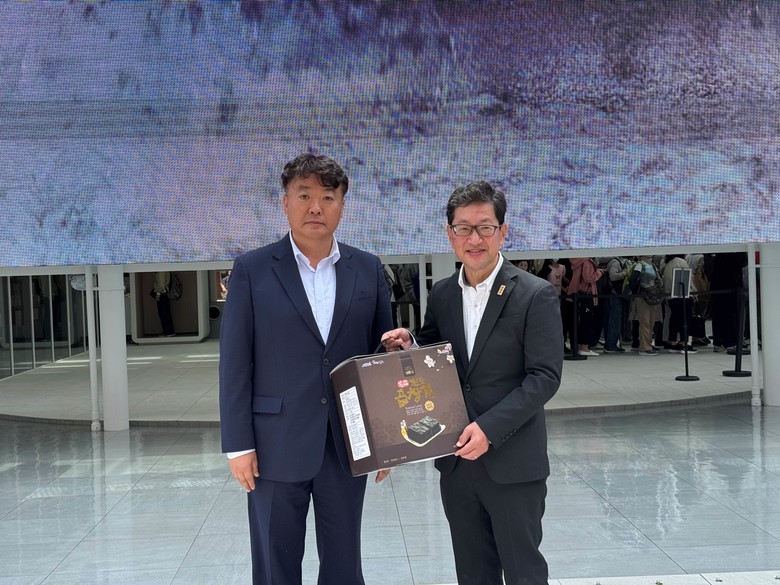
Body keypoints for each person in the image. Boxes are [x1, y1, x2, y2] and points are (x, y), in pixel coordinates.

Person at [218, 154, 393, 585]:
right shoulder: (252, 270)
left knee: (344, 565)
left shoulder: (367, 268)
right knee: (275, 565)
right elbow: (235, 363)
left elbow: (379, 358)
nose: (316, 207)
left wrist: (385, 440)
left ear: (342, 206)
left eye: (328, 197)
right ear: (285, 203)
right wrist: (238, 445)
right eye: (304, 196)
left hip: (346, 443)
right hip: (273, 444)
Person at [381, 181, 563, 585]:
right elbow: (436, 352)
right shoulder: (443, 294)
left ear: (503, 231)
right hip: (457, 463)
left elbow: (545, 377)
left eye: (485, 227)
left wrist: (489, 429)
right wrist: (411, 345)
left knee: (524, 573)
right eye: (463, 228)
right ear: (450, 235)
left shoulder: (535, 294)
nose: (474, 239)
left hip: (512, 462)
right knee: (473, 573)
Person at [152, 272, 175, 337]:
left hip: (162, 294)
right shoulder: (165, 271)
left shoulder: (161, 272)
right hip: (165, 294)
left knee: (163, 314)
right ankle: (169, 331)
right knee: (166, 313)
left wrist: (158, 294)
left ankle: (167, 331)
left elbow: (161, 284)